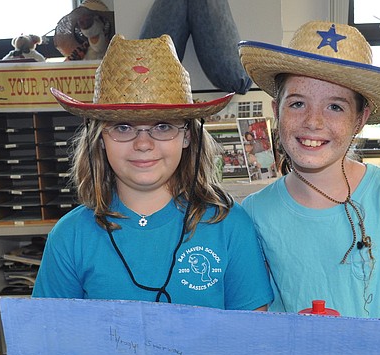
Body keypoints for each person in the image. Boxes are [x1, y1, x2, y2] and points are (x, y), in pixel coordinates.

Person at [33, 34, 273, 311]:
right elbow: (53, 340)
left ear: (187, 137)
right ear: (100, 139)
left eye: (162, 126)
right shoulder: (71, 236)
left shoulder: (230, 226)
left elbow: (251, 340)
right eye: (123, 127)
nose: (143, 144)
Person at [238, 22, 380, 331]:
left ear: (360, 119)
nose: (313, 121)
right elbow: (257, 319)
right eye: (297, 104)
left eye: (335, 106)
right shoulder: (254, 212)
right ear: (276, 110)